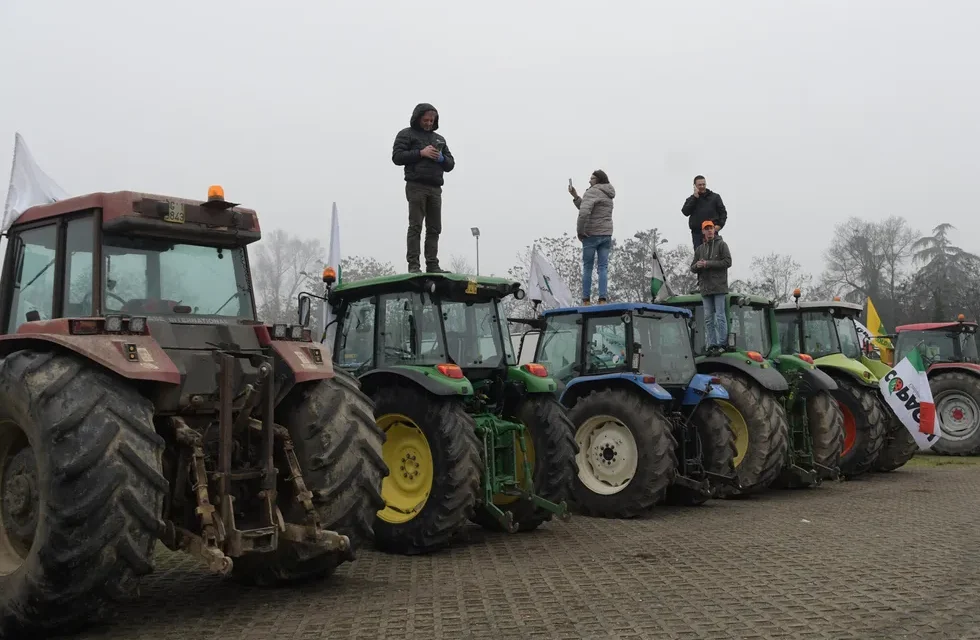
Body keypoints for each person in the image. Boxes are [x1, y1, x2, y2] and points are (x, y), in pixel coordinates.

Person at [392, 103, 455, 273]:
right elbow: (397, 157)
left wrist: (441, 158)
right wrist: (421, 153)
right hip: (416, 186)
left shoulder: (439, 139)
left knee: (434, 228)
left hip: (435, 188)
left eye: (431, 120)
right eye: (425, 120)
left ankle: (432, 264)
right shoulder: (406, 134)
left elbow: (450, 164)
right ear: (418, 118)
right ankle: (414, 265)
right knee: (416, 226)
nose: (428, 123)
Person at [568, 170, 615, 305]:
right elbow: (586, 207)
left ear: (598, 180)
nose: (589, 181)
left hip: (591, 235)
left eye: (592, 178)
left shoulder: (592, 192)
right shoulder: (609, 194)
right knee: (603, 267)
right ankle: (602, 299)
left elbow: (584, 213)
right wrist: (575, 196)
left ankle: (586, 299)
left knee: (588, 267)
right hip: (606, 234)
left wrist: (580, 231)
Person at [690, 220, 732, 354]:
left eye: (711, 228)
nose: (709, 230)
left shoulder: (722, 245)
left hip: (719, 287)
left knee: (720, 315)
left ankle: (723, 343)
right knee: (708, 317)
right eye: (706, 228)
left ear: (714, 230)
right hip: (705, 288)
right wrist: (698, 266)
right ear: (703, 231)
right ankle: (712, 344)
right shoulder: (699, 249)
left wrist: (708, 264)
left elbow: (728, 261)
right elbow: (692, 267)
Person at [681, 175, 728, 250]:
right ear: (695, 186)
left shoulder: (715, 197)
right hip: (697, 234)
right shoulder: (691, 199)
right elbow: (685, 212)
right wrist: (695, 198)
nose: (702, 186)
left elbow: (723, 213)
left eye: (704, 184)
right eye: (700, 185)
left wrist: (719, 225)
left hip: (712, 232)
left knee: (714, 255)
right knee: (700, 258)